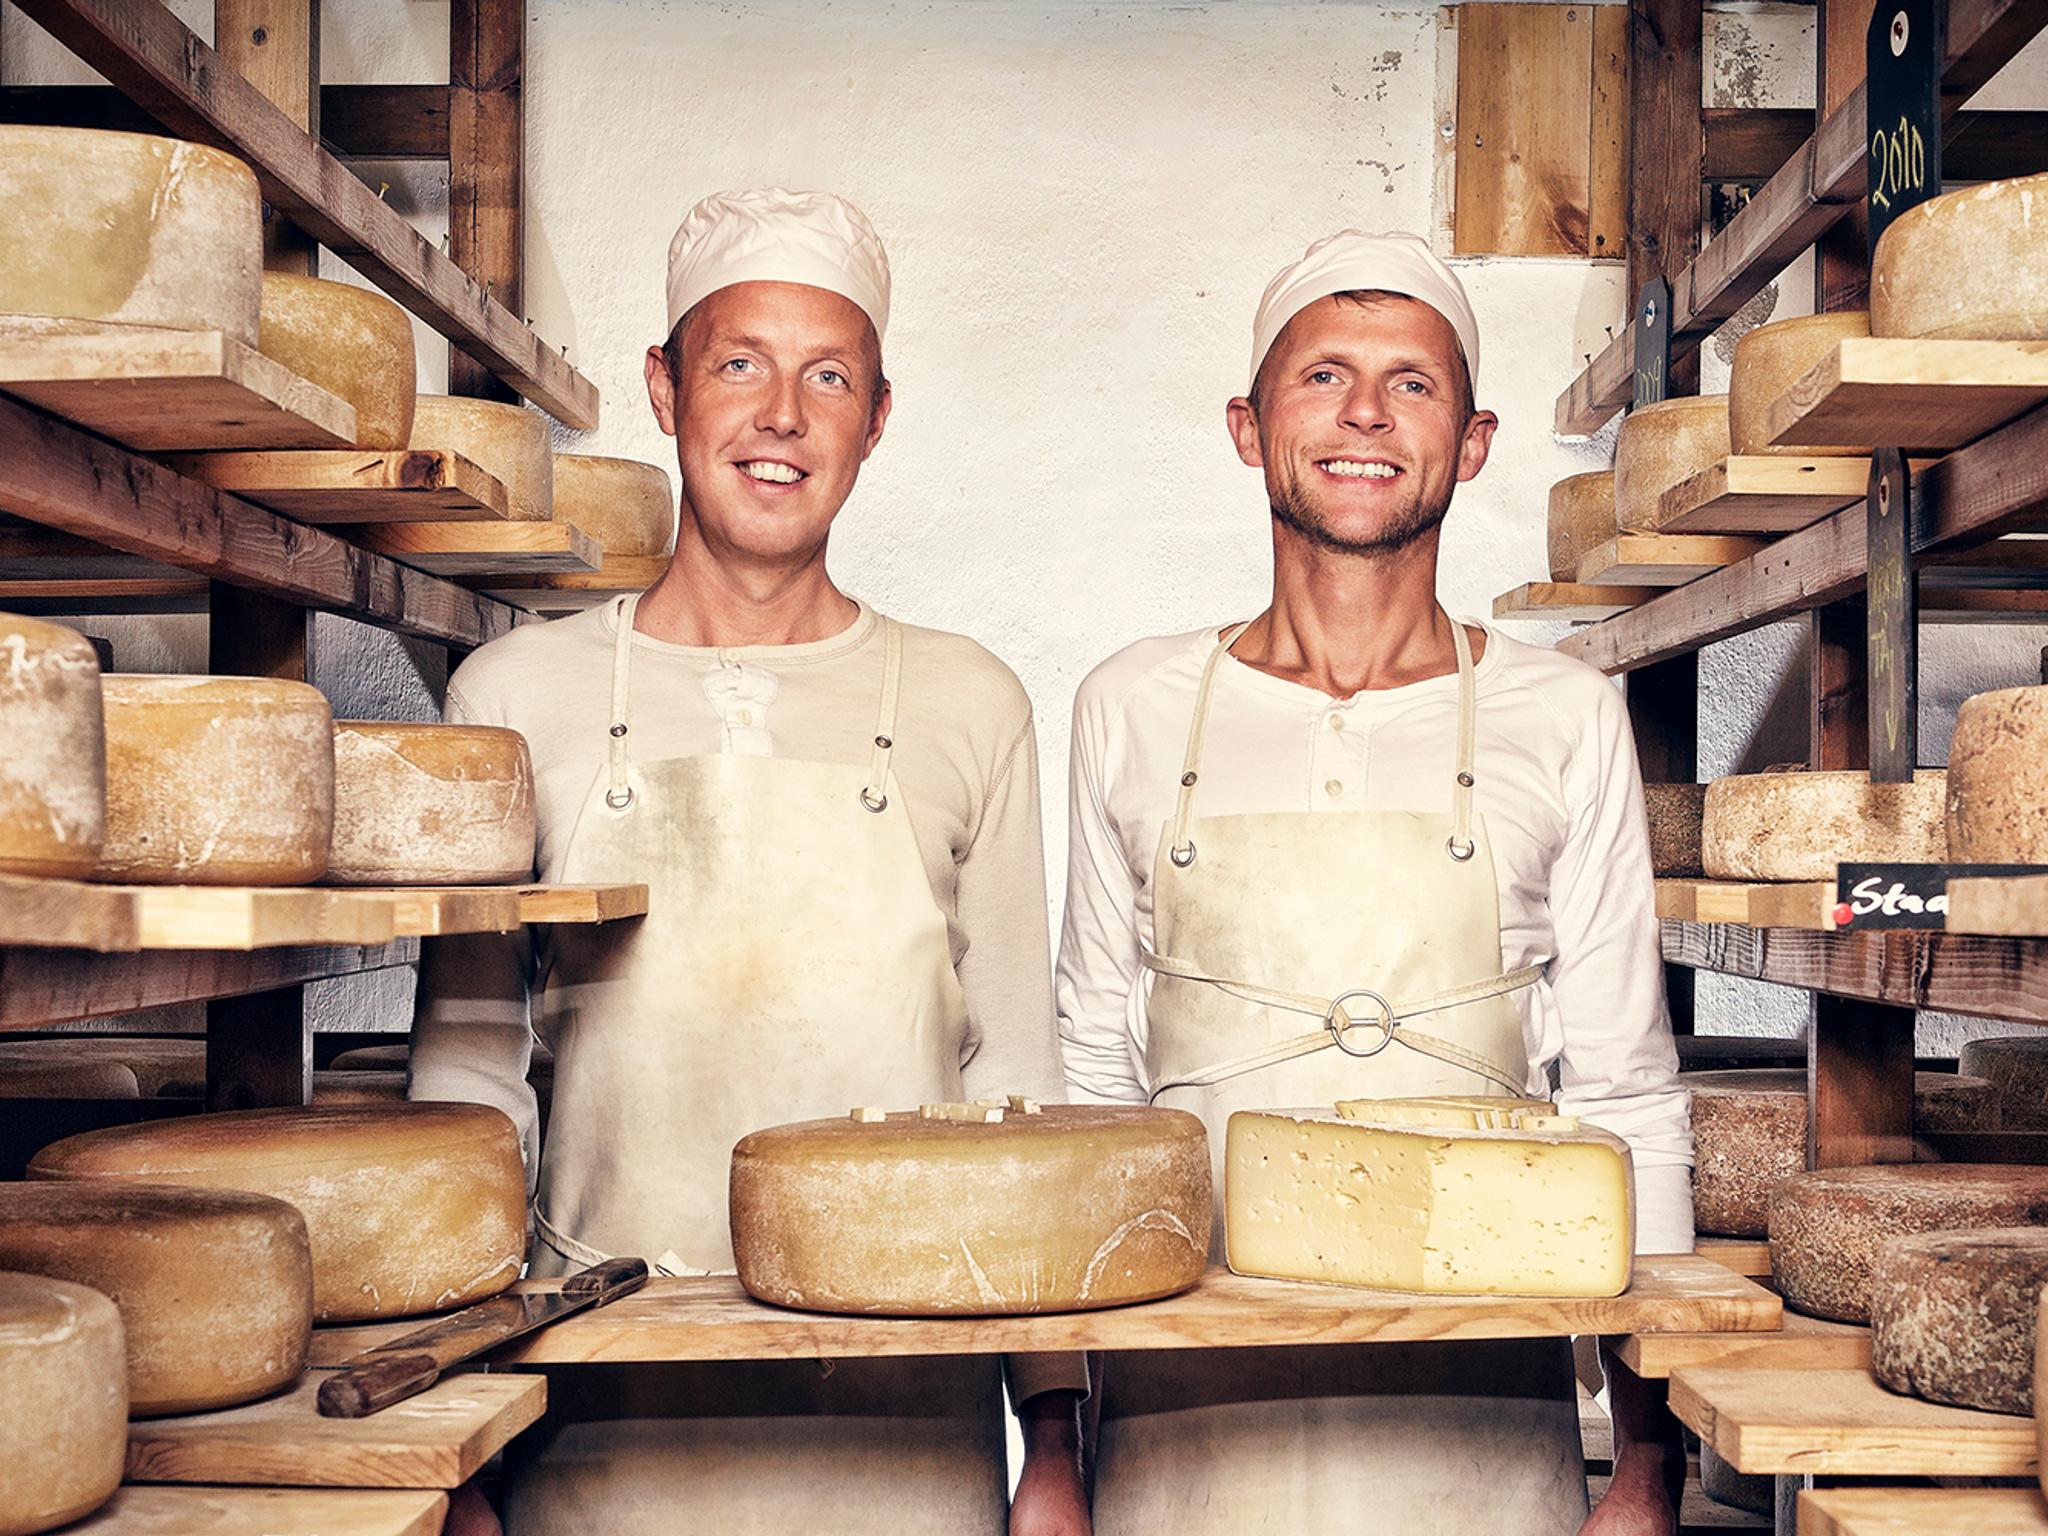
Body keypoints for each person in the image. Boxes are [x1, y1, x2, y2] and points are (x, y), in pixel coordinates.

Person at [410, 187, 1090, 1536]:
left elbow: (1016, 1083)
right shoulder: (516, 692)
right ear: (665, 391)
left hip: (905, 1414)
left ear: (874, 421)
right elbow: (473, 1085)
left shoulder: (967, 698)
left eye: (827, 376)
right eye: (740, 364)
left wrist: (1055, 1444)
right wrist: (459, 1452)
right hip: (599, 1412)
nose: (782, 415)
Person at [1054, 229, 1694, 1535]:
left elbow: (1627, 1090)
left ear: (1472, 441)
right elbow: (1088, 1087)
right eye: (1323, 377)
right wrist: (1056, 1456)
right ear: (1249, 426)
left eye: (1412, 383)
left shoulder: (1561, 714)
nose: (1364, 414)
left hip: (1477, 1415)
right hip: (1184, 1427)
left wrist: (1647, 1464)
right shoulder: (1131, 706)